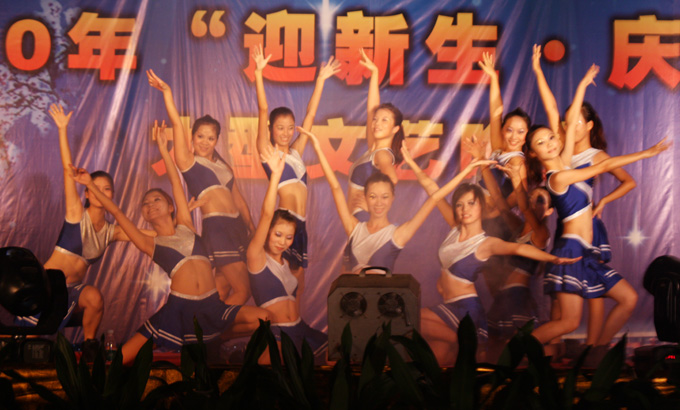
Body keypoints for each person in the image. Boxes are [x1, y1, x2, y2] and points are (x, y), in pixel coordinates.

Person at [71, 121, 268, 364]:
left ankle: (215, 337)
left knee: (265, 318)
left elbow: (176, 182)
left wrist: (165, 150)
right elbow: (118, 213)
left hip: (211, 307)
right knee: (119, 360)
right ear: (144, 215)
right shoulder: (150, 243)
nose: (151, 205)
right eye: (145, 204)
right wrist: (90, 184)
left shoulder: (185, 224)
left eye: (156, 199)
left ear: (171, 206)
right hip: (178, 309)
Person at [401, 145, 577, 366]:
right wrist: (411, 161)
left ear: (481, 207)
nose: (465, 209)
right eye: (460, 204)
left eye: (471, 203)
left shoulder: (486, 243)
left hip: (465, 309)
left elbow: (519, 249)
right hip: (451, 306)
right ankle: (475, 353)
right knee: (440, 358)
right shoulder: (455, 228)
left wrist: (553, 259)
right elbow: (432, 189)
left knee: (410, 319)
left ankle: (473, 346)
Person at [526, 111, 669, 361]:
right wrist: (646, 153)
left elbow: (571, 127)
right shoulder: (558, 177)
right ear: (533, 154)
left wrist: (581, 89)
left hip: (587, 251)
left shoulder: (565, 165)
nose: (549, 143)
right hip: (571, 251)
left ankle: (596, 353)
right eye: (540, 143)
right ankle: (515, 352)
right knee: (569, 322)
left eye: (551, 137)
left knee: (628, 298)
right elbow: (602, 166)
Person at [532, 45, 637, 348]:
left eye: (577, 122)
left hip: (587, 226)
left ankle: (592, 351)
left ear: (589, 125)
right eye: (568, 122)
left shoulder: (594, 155)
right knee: (563, 304)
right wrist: (538, 71)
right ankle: (550, 355)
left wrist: (603, 201)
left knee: (593, 294)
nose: (570, 127)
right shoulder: (559, 148)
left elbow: (627, 180)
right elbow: (552, 108)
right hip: (567, 227)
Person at [16, 104, 141, 356]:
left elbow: (145, 237)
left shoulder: (112, 232)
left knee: (94, 297)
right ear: (87, 193)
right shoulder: (76, 214)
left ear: (112, 195)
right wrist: (62, 129)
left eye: (107, 189)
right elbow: (67, 170)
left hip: (72, 293)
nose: (101, 192)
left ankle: (89, 347)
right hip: (47, 289)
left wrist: (177, 225)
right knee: (22, 346)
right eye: (95, 187)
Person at [301, 127, 494, 275]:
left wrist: (469, 169)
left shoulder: (399, 234)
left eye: (384, 197)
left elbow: (435, 197)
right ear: (365, 199)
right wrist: (317, 147)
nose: (379, 202)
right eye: (373, 197)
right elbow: (335, 187)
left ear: (392, 199)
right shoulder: (353, 228)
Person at [146, 70, 254, 305]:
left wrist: (251, 228)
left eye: (210, 138)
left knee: (220, 291)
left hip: (237, 228)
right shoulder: (188, 162)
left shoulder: (223, 165)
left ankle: (205, 328)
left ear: (217, 140)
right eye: (200, 136)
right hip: (218, 228)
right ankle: (211, 326)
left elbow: (239, 200)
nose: (205, 142)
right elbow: (176, 123)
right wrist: (167, 92)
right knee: (243, 290)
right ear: (192, 138)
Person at [253, 44, 340, 276]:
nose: (286, 133)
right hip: (284, 223)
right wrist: (259, 73)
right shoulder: (267, 151)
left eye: (290, 128)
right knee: (281, 279)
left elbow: (310, 114)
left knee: (298, 283)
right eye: (280, 128)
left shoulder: (296, 152)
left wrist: (320, 80)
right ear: (271, 129)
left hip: (301, 224)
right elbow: (263, 109)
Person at [246, 146, 326, 363]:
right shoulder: (256, 257)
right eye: (278, 234)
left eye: (289, 238)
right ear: (268, 232)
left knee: (333, 356)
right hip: (277, 333)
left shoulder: (290, 265)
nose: (283, 242)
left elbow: (297, 297)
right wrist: (276, 176)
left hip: (299, 329)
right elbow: (266, 214)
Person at [346, 49, 405, 222]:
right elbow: (371, 110)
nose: (377, 123)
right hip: (358, 222)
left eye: (384, 120)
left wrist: (371, 201)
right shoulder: (374, 149)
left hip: (364, 219)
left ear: (395, 129)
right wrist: (374, 74)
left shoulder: (382, 154)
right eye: (376, 120)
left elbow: (392, 178)